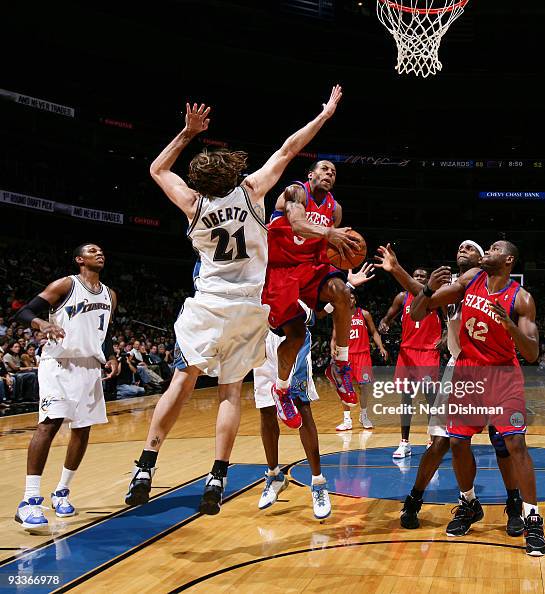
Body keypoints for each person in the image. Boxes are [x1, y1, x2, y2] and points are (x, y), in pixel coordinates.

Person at [126, 86, 345, 515]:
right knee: (230, 392)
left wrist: (188, 133)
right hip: (249, 307)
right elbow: (289, 148)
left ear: (201, 179)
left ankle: (146, 465)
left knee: (181, 381)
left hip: (207, 303)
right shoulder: (252, 191)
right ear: (232, 171)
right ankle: (217, 474)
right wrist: (324, 115)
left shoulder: (192, 203)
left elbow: (156, 169)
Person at [376, 241, 524, 537]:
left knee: (503, 446)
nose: (462, 248)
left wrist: (399, 271)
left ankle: (514, 504)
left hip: (496, 371)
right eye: (459, 247)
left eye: (470, 248)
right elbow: (424, 296)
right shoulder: (457, 285)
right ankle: (422, 501)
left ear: (484, 258)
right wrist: (396, 270)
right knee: (443, 441)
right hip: (460, 368)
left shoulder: (485, 283)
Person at [410, 240, 545, 556]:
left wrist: (510, 325)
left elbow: (532, 353)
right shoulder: (471, 279)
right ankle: (469, 503)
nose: (488, 252)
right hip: (468, 372)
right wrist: (427, 290)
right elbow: (420, 311)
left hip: (503, 374)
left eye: (495, 248)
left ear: (509, 259)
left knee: (516, 445)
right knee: (456, 442)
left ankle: (532, 519)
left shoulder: (521, 298)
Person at [255, 265, 374, 519]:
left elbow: (320, 312)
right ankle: (274, 475)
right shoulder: (266, 263)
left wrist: (348, 287)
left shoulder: (303, 270)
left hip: (295, 340)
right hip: (261, 339)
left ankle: (318, 482)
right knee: (266, 410)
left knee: (302, 408)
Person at [13, 244, 118, 533]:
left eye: (101, 250)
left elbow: (105, 333)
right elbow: (25, 311)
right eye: (93, 250)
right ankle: (29, 501)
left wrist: (110, 355)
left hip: (89, 367)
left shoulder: (110, 294)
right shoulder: (66, 284)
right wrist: (39, 324)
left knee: (82, 430)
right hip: (58, 362)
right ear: (79, 259)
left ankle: (61, 491)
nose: (100, 253)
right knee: (49, 424)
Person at [263, 157, 362, 430]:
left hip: (311, 268)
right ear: (311, 174)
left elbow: (330, 248)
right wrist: (330, 233)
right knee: (294, 336)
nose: (329, 173)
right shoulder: (296, 191)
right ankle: (281, 390)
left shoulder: (335, 209)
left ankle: (339, 365)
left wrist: (344, 257)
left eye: (333, 171)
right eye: (324, 169)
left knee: (343, 293)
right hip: (280, 269)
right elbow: (296, 224)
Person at [377, 266, 442, 458]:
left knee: (431, 400)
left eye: (423, 275)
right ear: (410, 278)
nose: (420, 277)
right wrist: (384, 324)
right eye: (416, 275)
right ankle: (404, 442)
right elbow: (388, 318)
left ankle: (431, 440)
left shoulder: (437, 297)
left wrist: (445, 336)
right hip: (407, 353)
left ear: (428, 279)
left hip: (428, 352)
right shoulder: (402, 297)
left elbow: (450, 319)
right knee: (406, 400)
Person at [333, 291, 387, 431]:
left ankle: (364, 416)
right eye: (347, 298)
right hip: (345, 356)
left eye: (351, 298)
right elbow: (334, 337)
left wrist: (381, 347)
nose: (349, 300)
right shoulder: (339, 315)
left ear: (355, 300)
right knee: (344, 388)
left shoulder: (364, 313)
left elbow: (374, 332)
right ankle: (346, 420)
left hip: (362, 355)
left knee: (363, 387)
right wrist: (333, 349)